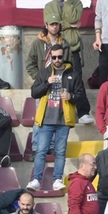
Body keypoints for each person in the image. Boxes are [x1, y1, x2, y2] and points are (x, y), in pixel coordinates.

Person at [28, 43, 80, 191]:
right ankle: (36, 179)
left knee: (60, 152)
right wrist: (46, 83)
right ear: (50, 57)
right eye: (54, 57)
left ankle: (57, 179)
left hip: (64, 120)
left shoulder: (72, 74)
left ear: (64, 57)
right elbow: (34, 93)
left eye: (60, 57)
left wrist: (71, 96)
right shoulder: (44, 73)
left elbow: (80, 95)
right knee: (41, 151)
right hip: (46, 119)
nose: (57, 60)